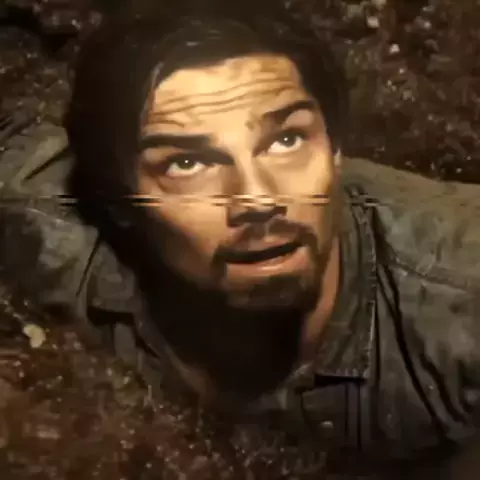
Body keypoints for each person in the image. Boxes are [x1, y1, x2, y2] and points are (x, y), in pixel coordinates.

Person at [1, 0, 480, 476]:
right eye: (187, 163)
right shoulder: (44, 231)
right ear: (117, 202)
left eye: (286, 140)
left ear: (336, 150)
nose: (258, 200)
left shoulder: (462, 299)